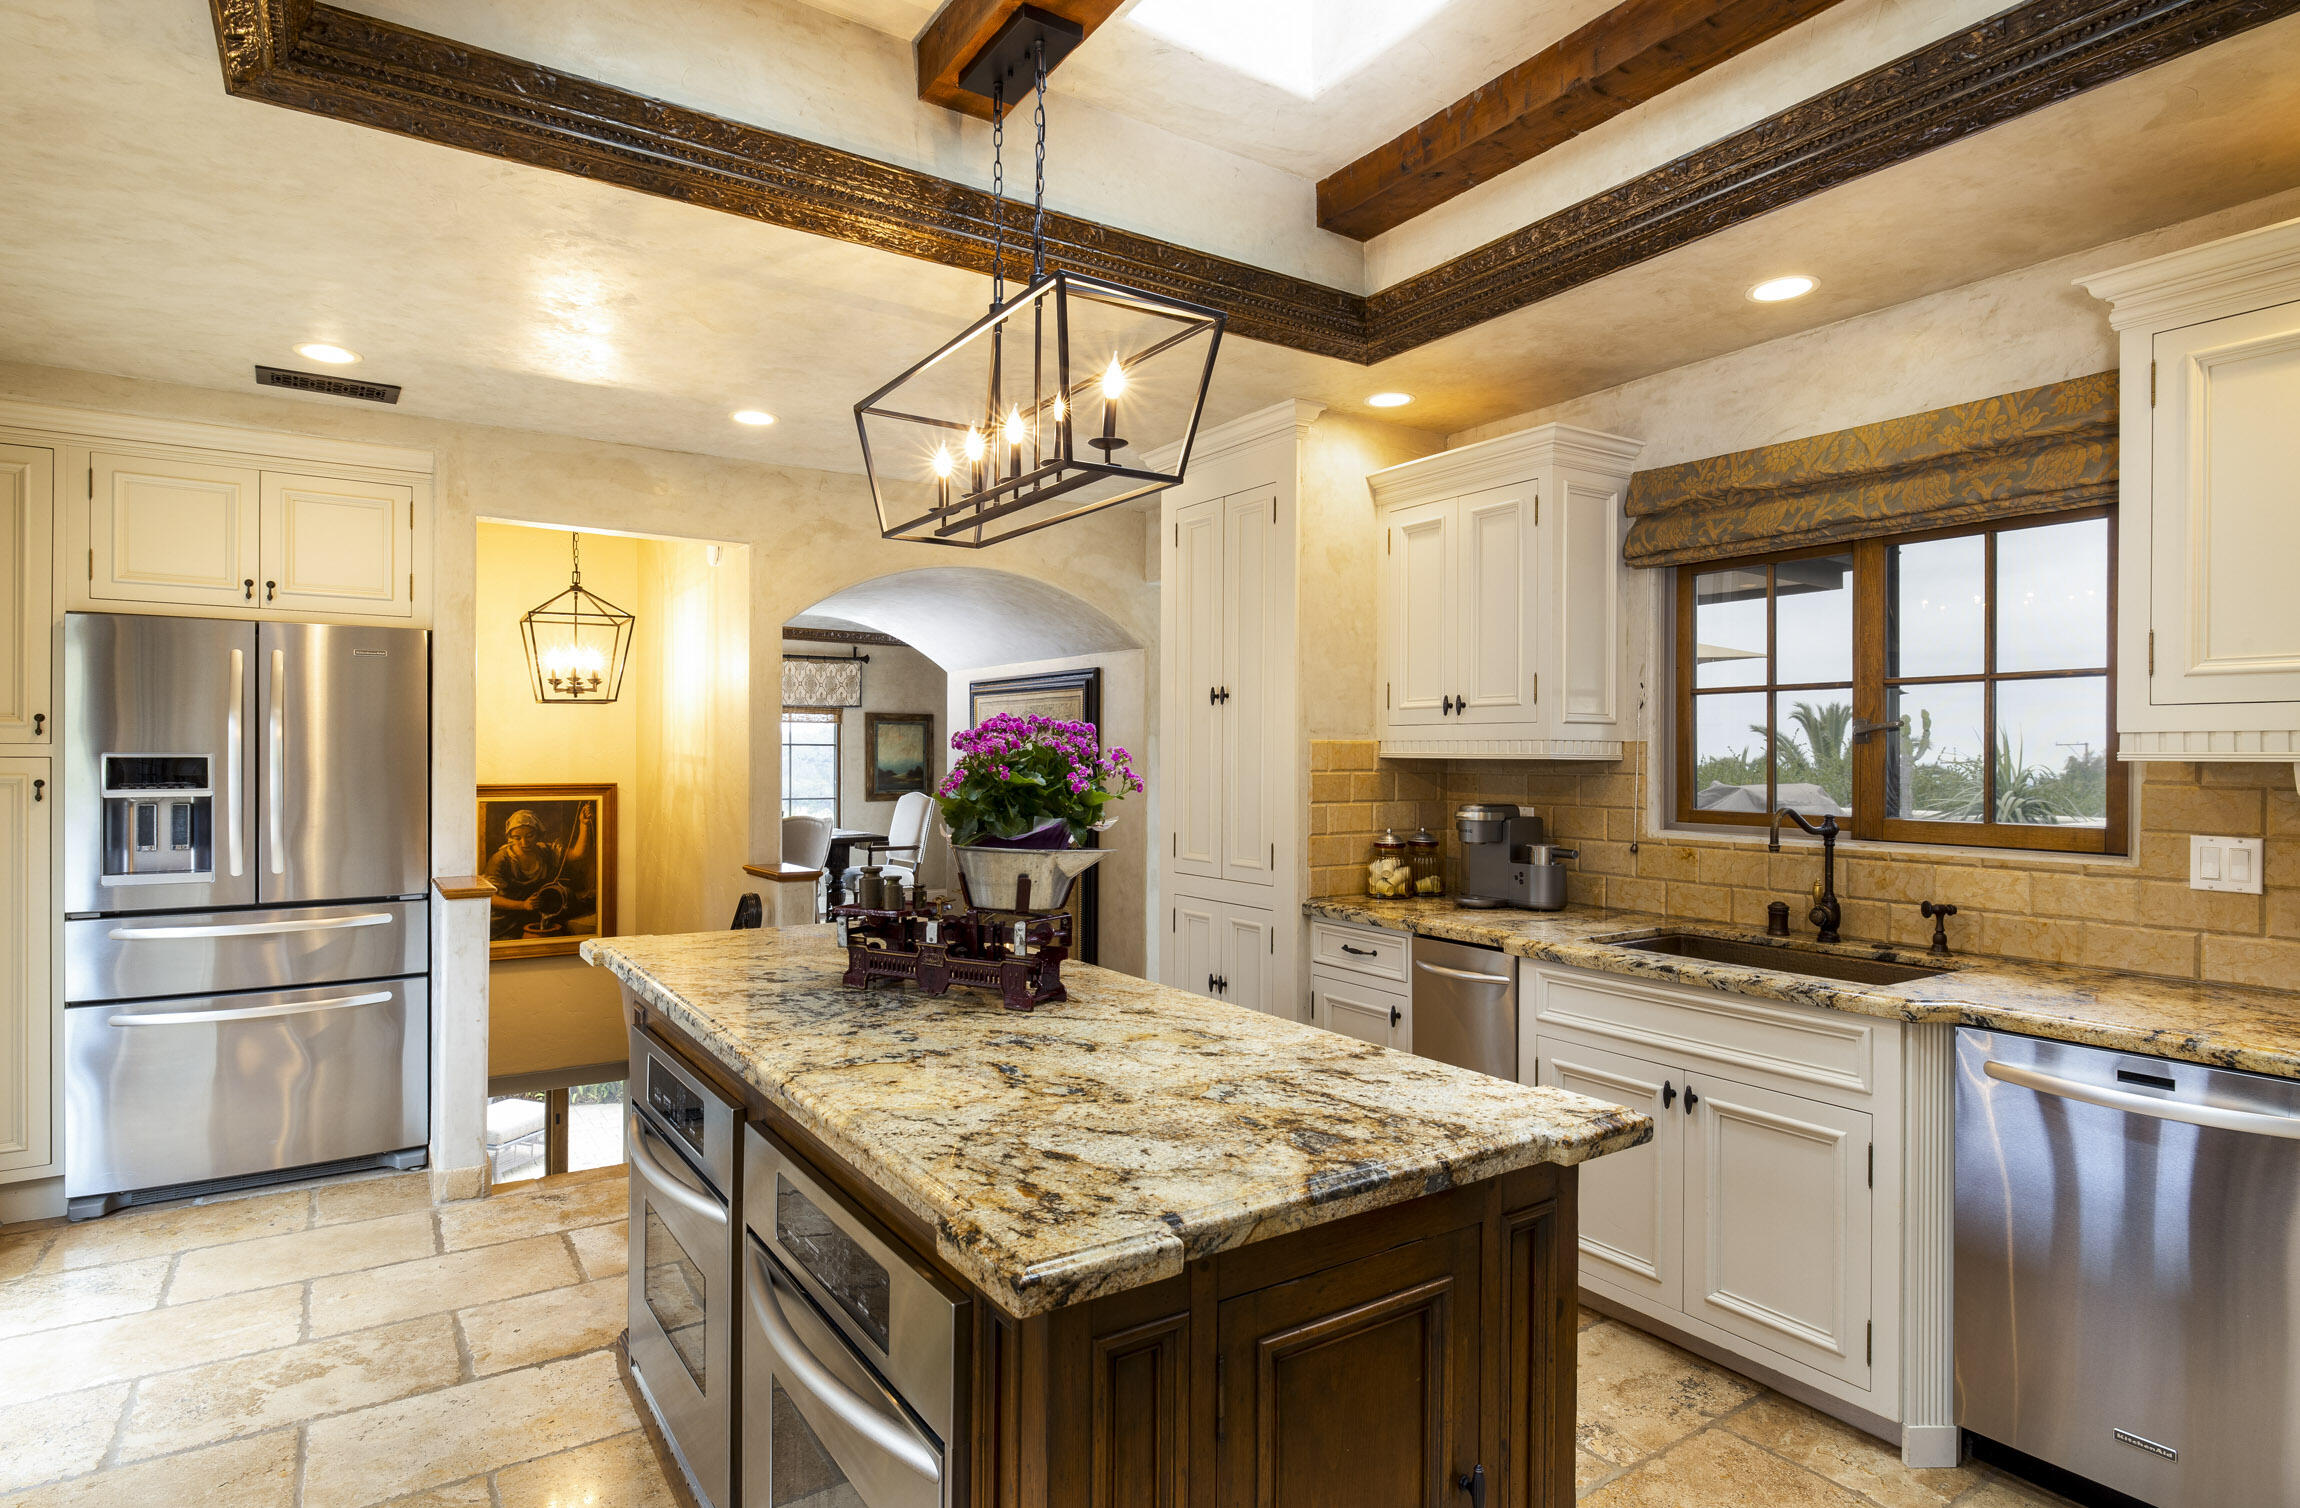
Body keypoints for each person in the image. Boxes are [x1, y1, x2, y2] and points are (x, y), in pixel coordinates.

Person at [486, 804, 595, 940]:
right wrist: (523, 905)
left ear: (538, 833)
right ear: (510, 837)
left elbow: (578, 854)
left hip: (536, 915)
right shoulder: (501, 859)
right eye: (517, 837)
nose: (524, 842)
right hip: (506, 921)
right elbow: (489, 897)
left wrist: (584, 824)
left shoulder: (546, 851)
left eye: (530, 835)